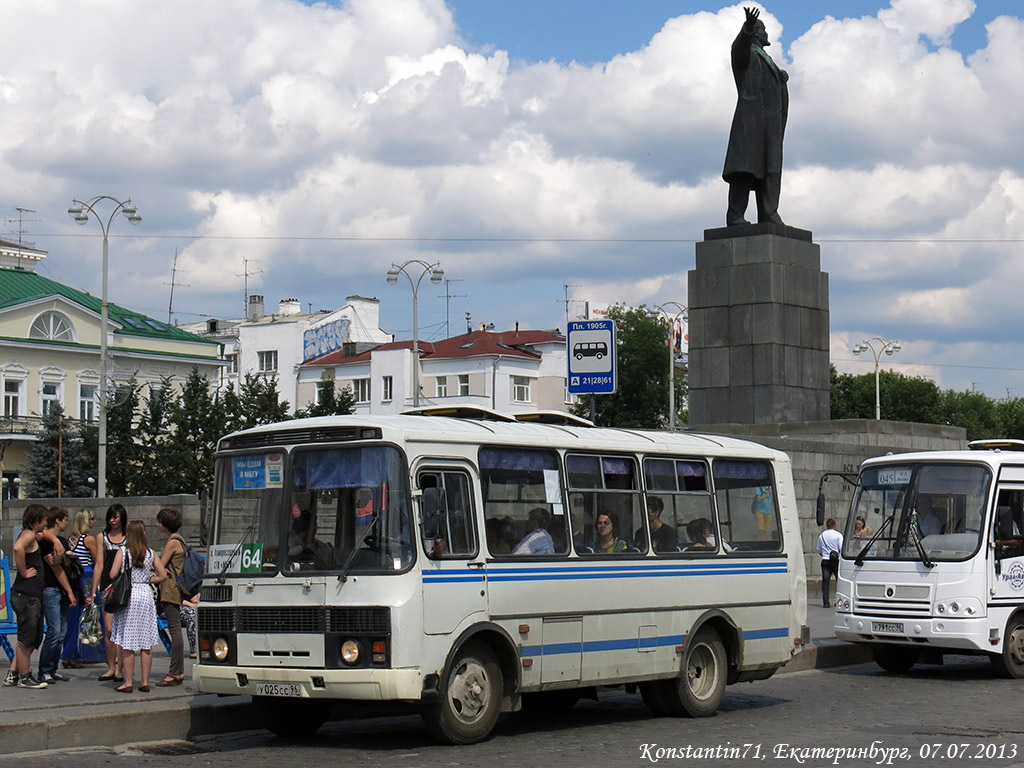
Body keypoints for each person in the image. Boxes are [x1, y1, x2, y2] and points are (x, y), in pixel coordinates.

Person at [723, 6, 789, 226]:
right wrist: (748, 28)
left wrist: (780, 79)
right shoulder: (747, 53)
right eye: (763, 29)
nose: (766, 33)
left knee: (770, 171)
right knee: (745, 169)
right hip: (750, 123)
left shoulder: (766, 59)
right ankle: (735, 215)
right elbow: (737, 50)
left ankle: (769, 213)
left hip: (770, 125)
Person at [108, 520, 168, 693]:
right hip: (146, 595)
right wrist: (149, 579)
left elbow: (112, 574)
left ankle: (128, 682)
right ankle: (145, 681)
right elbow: (163, 575)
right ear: (143, 533)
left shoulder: (123, 552)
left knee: (128, 642)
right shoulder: (150, 553)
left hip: (129, 595)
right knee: (145, 642)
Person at [4, 505, 50, 689]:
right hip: (27, 596)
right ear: (36, 520)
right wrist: (23, 571)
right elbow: (17, 548)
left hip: (31, 595)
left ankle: (13, 674)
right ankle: (25, 677)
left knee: (32, 637)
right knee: (26, 639)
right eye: (44, 520)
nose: (46, 523)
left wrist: (54, 540)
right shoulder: (28, 535)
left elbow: (44, 535)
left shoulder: (32, 534)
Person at [38, 506, 77, 685]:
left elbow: (64, 562)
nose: (67, 523)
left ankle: (53, 669)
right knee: (53, 631)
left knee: (62, 632)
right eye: (65, 519)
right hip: (50, 589)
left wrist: (66, 557)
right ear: (58, 521)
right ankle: (44, 670)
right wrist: (70, 591)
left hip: (62, 590)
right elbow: (55, 566)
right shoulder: (45, 541)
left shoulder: (62, 541)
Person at [62, 509, 101, 668]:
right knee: (91, 615)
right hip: (87, 578)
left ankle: (69, 653)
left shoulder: (70, 540)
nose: (93, 522)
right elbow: (98, 560)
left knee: (74, 617)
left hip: (74, 579)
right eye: (92, 519)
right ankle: (90, 651)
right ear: (86, 521)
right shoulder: (88, 539)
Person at [95, 503, 128, 682]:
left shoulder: (128, 538)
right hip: (106, 587)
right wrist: (94, 588)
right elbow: (99, 564)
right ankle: (110, 666)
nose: (112, 521)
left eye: (115, 517)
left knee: (121, 630)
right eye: (110, 517)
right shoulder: (102, 537)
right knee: (108, 629)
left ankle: (120, 670)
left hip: (123, 587)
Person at [155, 508, 187, 687]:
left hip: (170, 588)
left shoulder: (172, 542)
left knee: (174, 629)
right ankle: (178, 671)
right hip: (175, 587)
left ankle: (175, 672)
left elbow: (159, 565)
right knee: (175, 629)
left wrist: (156, 565)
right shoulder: (179, 540)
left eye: (160, 522)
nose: (157, 524)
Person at [817, 518, 844, 608]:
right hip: (836, 561)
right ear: (834, 525)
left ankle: (826, 602)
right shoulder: (838, 535)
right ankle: (839, 601)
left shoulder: (822, 535)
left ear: (827, 525)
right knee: (839, 581)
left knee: (825, 582)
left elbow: (818, 549)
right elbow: (841, 547)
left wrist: (824, 554)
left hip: (825, 560)